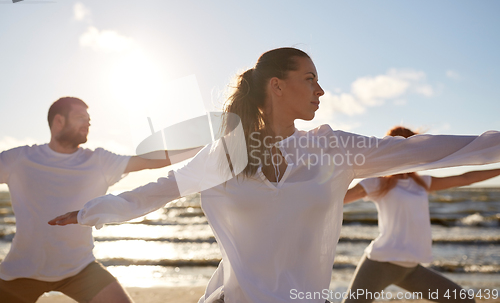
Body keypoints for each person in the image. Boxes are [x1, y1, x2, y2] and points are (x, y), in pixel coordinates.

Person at [49, 48, 500, 303]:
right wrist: (93, 211)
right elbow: (162, 189)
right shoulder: (228, 151)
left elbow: (430, 151)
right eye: (310, 78)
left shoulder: (333, 146)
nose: (320, 89)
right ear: (276, 86)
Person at [0, 97, 175, 303]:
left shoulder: (98, 160)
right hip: (21, 272)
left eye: (89, 119)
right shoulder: (19, 159)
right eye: (80, 117)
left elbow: (148, 161)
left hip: (80, 269)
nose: (88, 123)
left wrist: (205, 149)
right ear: (59, 121)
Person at [342, 126, 500, 303]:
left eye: (410, 146)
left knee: (464, 301)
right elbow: (338, 199)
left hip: (410, 268)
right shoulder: (376, 183)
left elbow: (465, 179)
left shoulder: (421, 183)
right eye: (399, 146)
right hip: (380, 263)